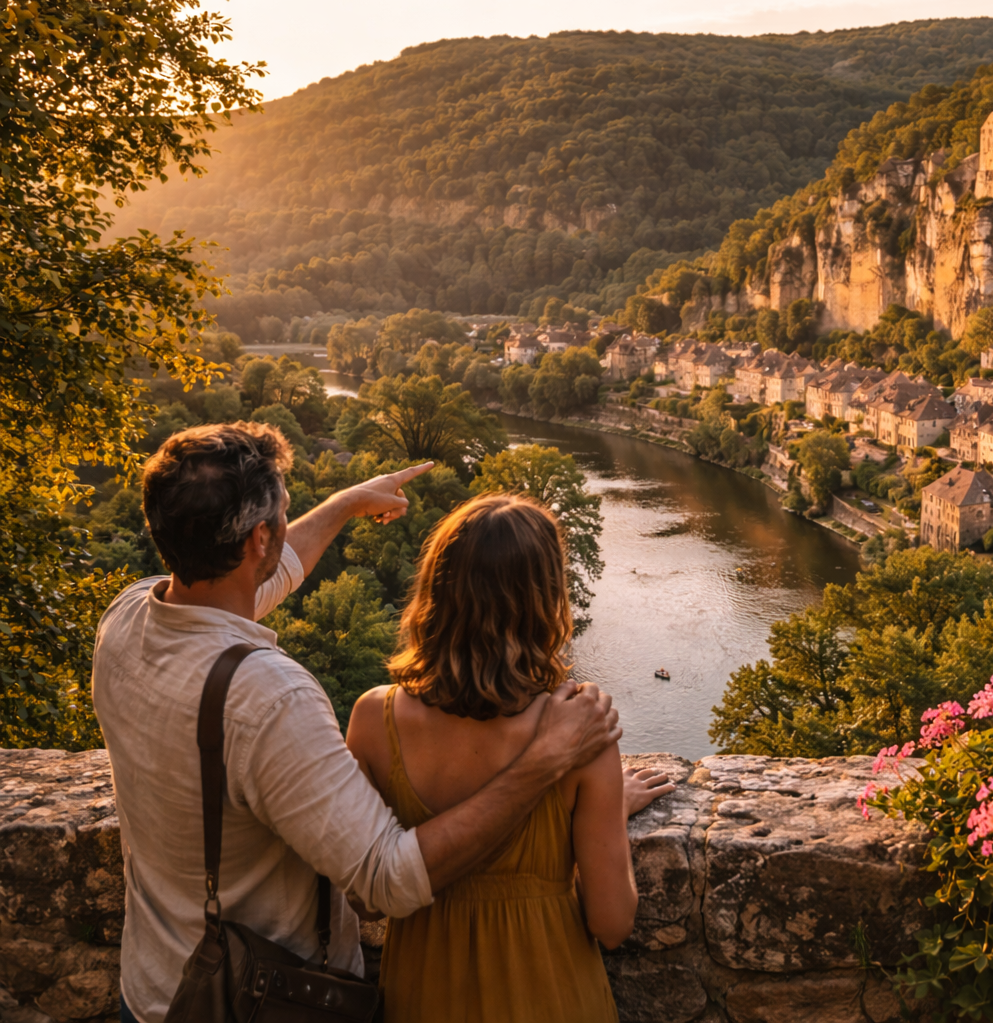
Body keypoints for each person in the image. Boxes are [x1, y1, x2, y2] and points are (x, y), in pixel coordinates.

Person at [92, 423, 621, 1023]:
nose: (289, 527)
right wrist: (544, 764)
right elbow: (385, 880)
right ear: (259, 538)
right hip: (262, 1000)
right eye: (285, 514)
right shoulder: (269, 698)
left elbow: (248, 585)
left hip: (155, 987)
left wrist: (346, 503)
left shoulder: (129, 617)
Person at [344, 492, 640, 1021]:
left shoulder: (373, 719)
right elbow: (611, 923)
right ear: (546, 597)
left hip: (422, 994)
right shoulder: (579, 729)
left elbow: (365, 899)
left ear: (436, 589)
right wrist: (609, 812)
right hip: (551, 995)